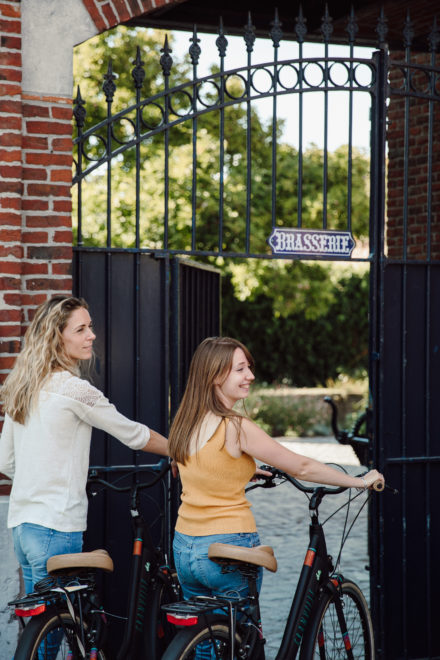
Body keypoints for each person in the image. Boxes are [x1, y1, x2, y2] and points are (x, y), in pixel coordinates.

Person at [168, 336, 384, 643]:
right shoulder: (234, 426)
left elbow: (199, 466)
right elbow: (302, 467)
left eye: (249, 367)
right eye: (240, 369)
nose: (250, 376)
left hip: (185, 549)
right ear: (215, 376)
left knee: (208, 644)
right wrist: (359, 481)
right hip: (226, 550)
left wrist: (244, 469)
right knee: (243, 640)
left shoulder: (185, 421)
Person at [0, 295, 169, 595]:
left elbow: (5, 462)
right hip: (56, 526)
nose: (91, 335)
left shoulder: (22, 387)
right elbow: (133, 434)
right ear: (56, 337)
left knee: (39, 616)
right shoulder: (75, 390)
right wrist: (179, 450)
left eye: (89, 327)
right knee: (58, 618)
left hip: (23, 526)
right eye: (80, 330)